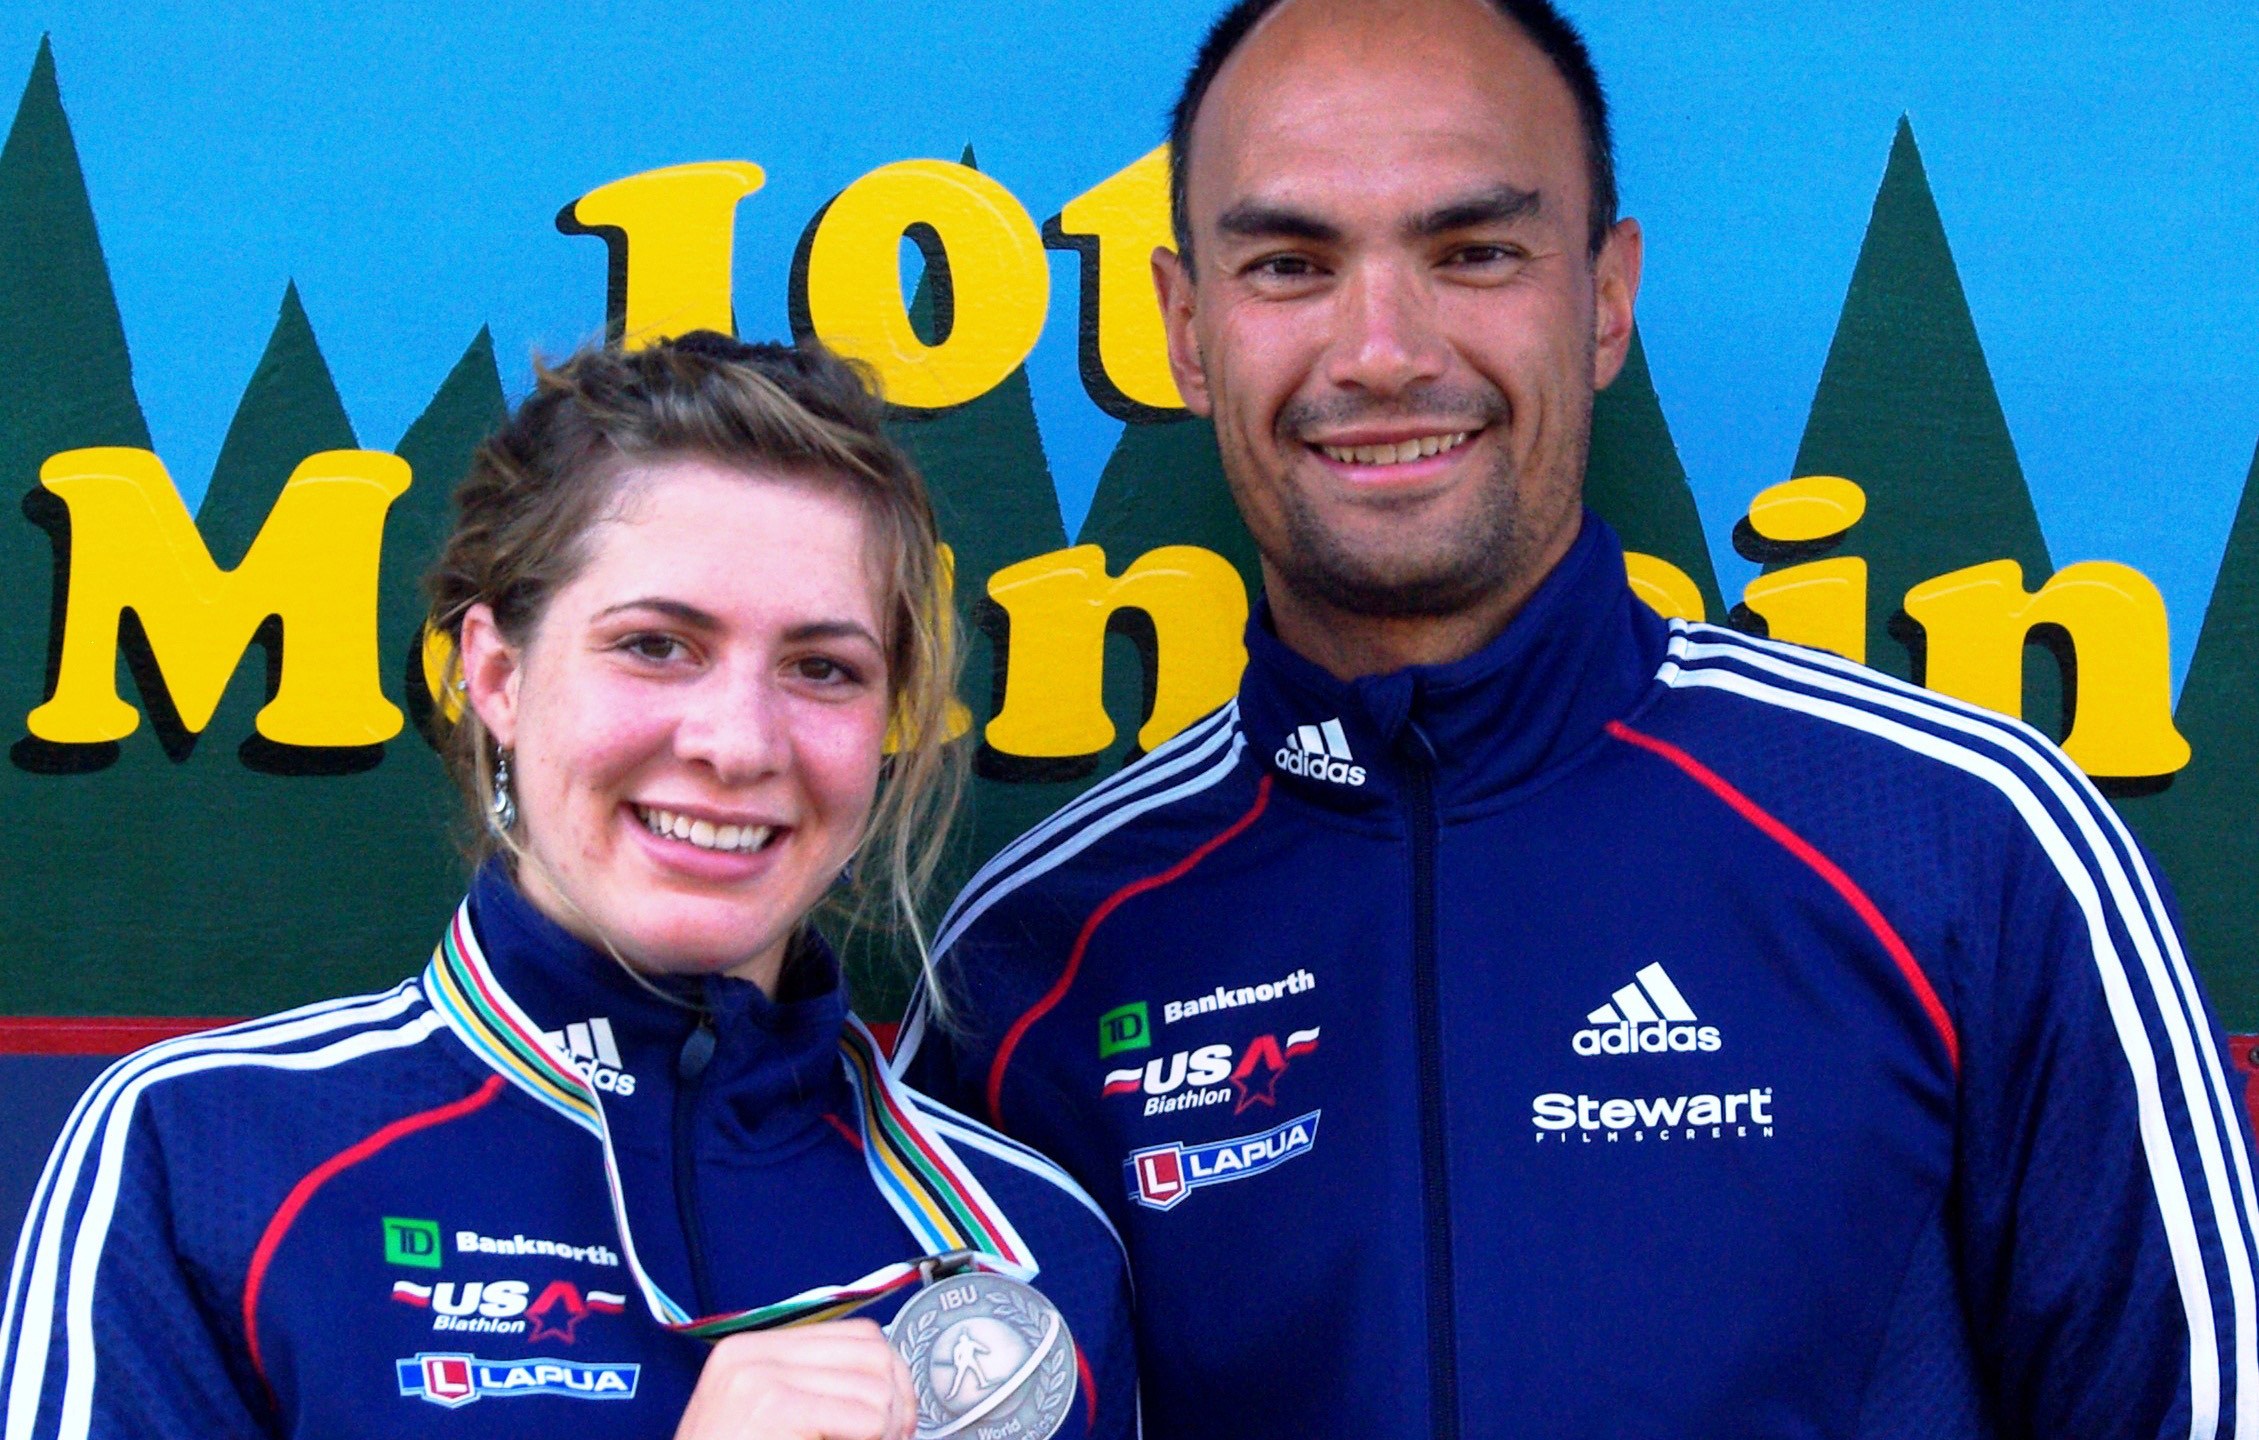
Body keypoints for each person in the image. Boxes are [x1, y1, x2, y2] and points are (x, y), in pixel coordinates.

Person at [895, 1, 2259, 1436]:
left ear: (1604, 296)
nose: (1377, 351)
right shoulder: (1026, 957)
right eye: (1288, 264)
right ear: (1183, 327)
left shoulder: (1961, 844)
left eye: (1472, 251)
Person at [1, 333, 1133, 1440]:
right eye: (656, 645)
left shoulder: (1037, 1253)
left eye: (822, 669)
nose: (739, 744)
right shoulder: (207, 1154)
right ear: (493, 673)